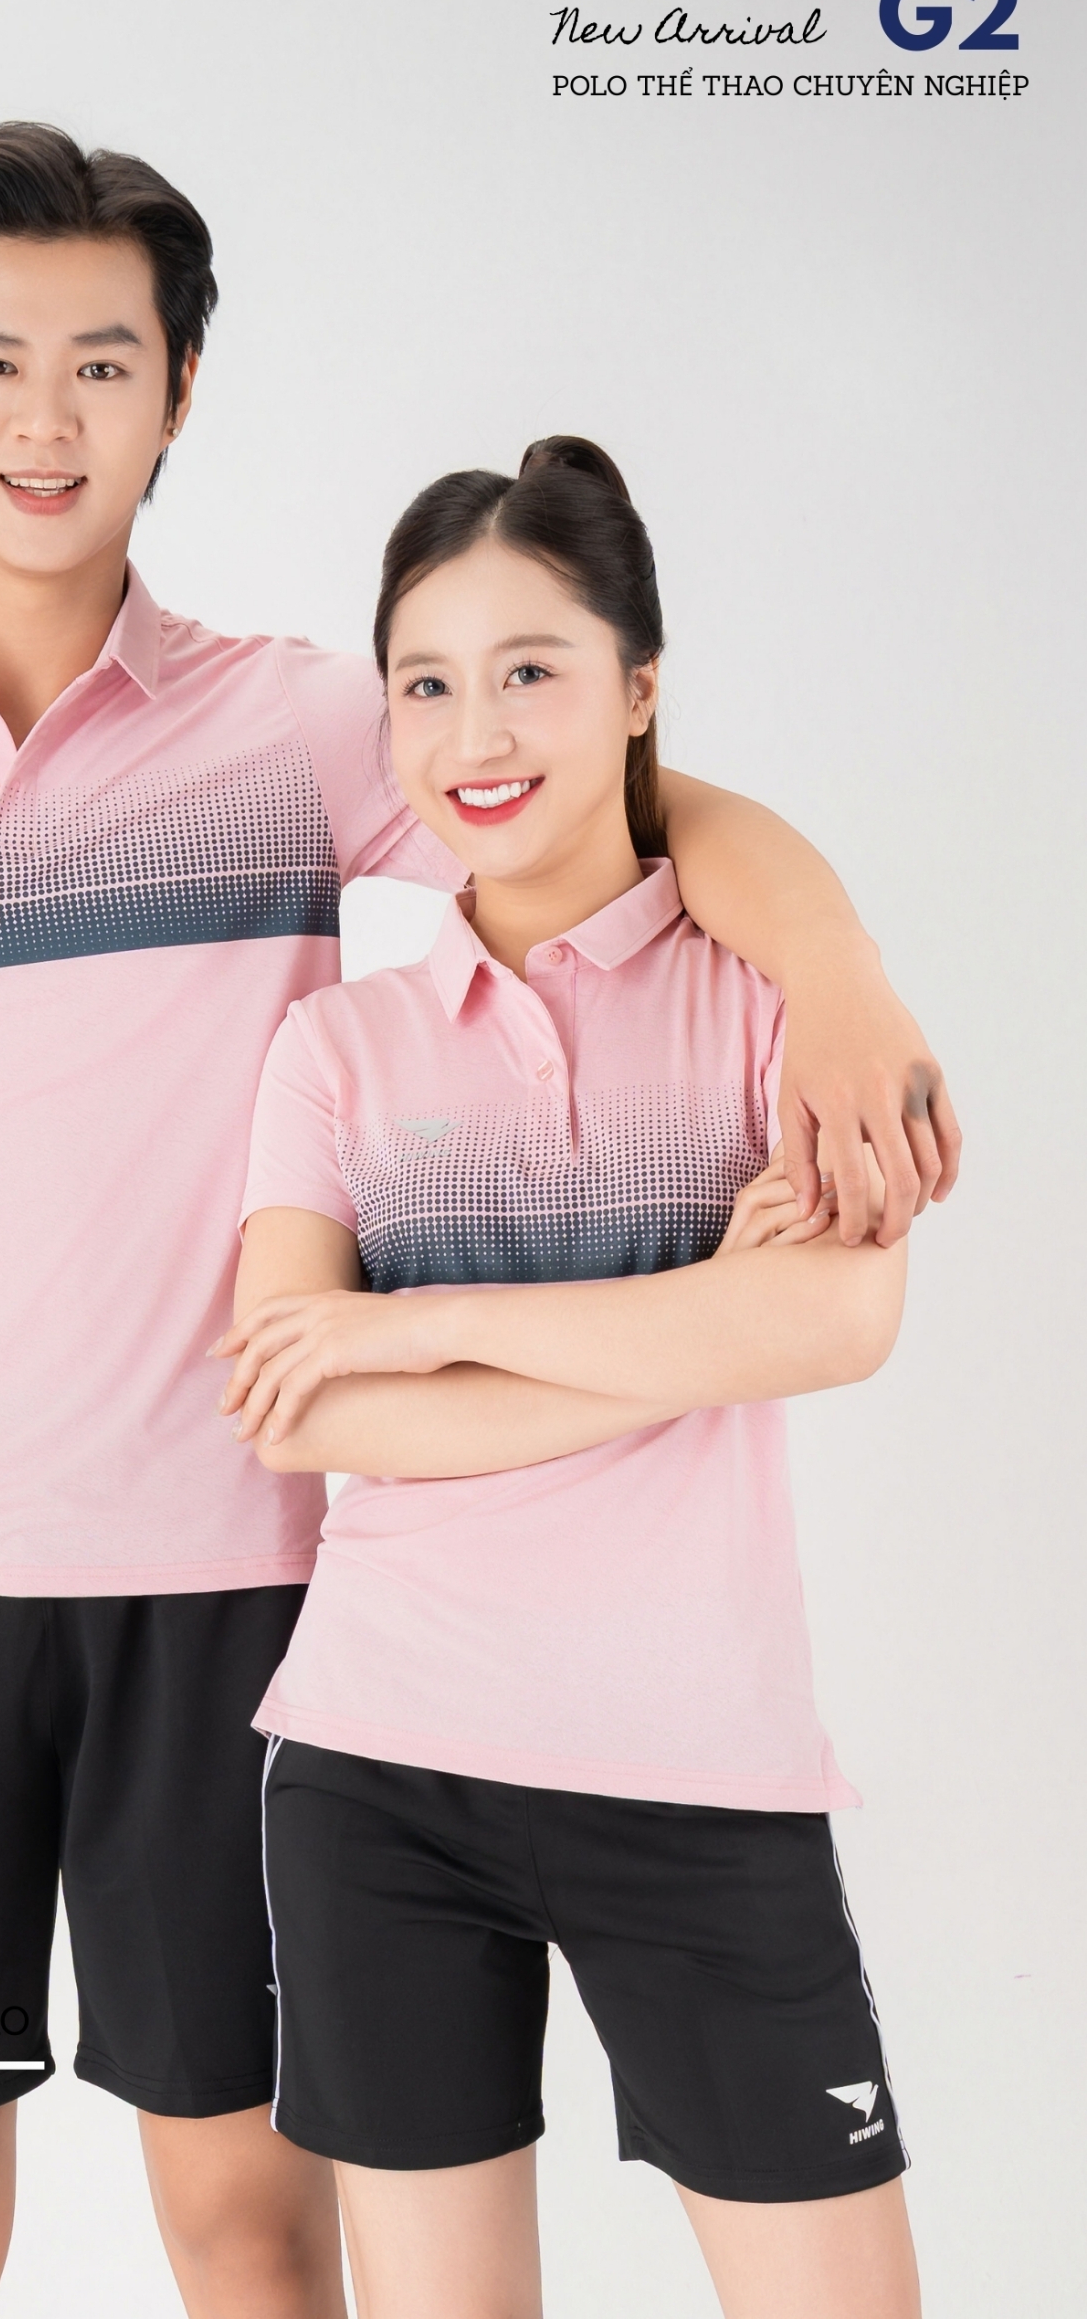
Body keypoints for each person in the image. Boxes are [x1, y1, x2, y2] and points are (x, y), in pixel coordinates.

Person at [0, 113, 951, 2319]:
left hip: (229, 1600)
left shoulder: (308, 723)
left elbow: (621, 791)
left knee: (245, 2230)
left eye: (104, 364)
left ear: (180, 393)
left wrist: (845, 977)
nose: (46, 417)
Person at [222, 438, 926, 2319]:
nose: (476, 732)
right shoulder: (335, 1051)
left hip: (703, 1773)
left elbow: (841, 1324)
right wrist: (695, 1326)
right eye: (425, 684)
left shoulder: (773, 1008)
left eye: (531, 668)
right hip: (378, 1773)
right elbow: (300, 1405)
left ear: (639, 687)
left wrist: (417, 1320)